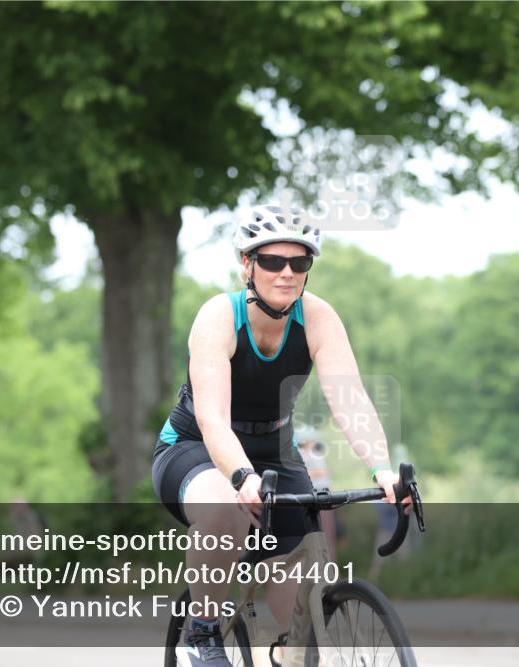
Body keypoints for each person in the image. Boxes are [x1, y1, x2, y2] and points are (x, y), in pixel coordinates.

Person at [151, 205, 404, 667]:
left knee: (301, 612)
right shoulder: (218, 317)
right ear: (247, 265)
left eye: (299, 263)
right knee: (226, 508)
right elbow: (213, 419)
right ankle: (201, 633)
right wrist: (240, 475)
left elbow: (350, 401)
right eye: (272, 261)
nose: (286, 273)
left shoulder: (319, 318)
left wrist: (382, 469)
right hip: (195, 448)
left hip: (276, 451)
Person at [294, 426, 342, 561]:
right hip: (314, 499)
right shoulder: (303, 455)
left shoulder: (315, 455)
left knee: (327, 538)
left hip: (324, 498)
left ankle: (329, 573)